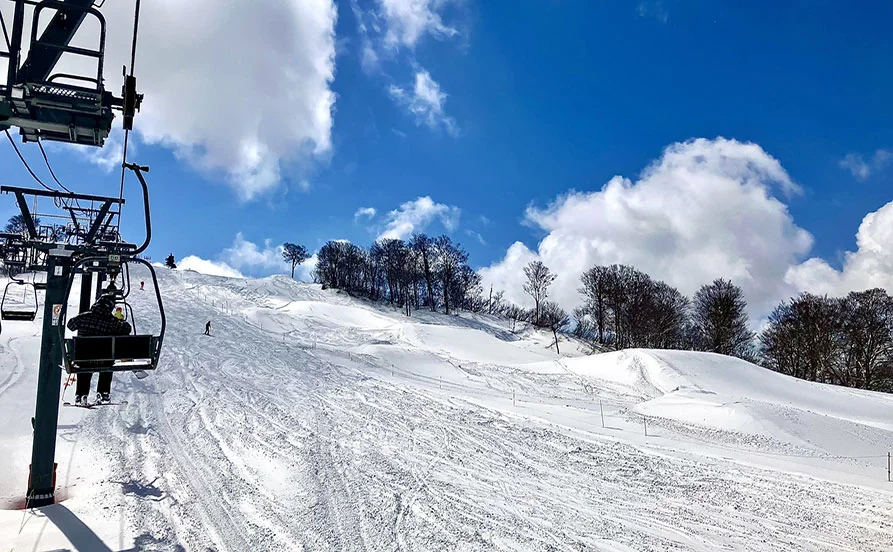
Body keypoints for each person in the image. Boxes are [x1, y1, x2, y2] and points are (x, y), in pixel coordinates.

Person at [68, 293, 132, 405]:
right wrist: (118, 320)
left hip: (83, 358)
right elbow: (127, 328)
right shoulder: (112, 321)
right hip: (103, 360)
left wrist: (81, 317)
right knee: (107, 364)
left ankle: (81, 394)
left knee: (84, 365)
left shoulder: (84, 317)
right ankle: (103, 392)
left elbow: (70, 325)